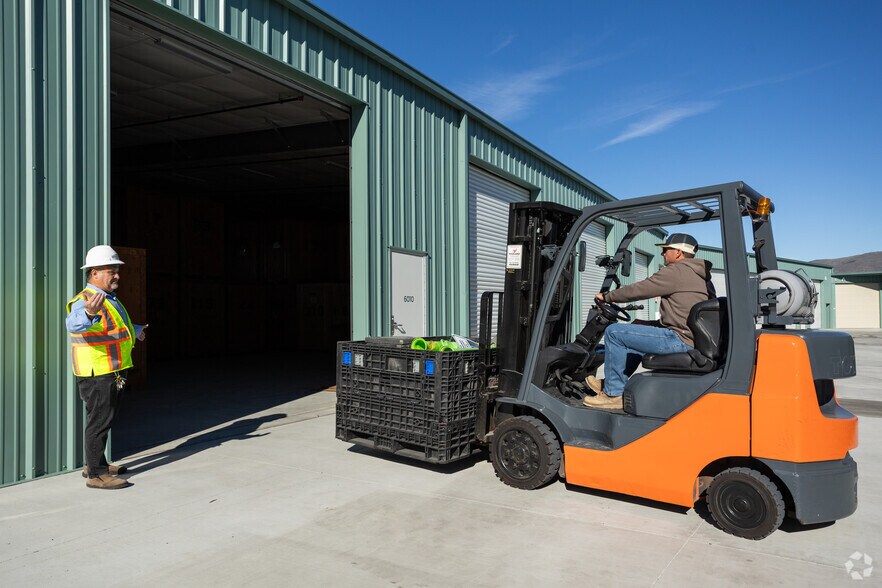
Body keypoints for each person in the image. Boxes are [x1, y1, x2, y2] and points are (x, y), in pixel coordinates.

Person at [583, 233, 715, 410]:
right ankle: (612, 382)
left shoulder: (677, 271)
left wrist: (608, 296)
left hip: (679, 339)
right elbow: (682, 315)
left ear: (678, 252)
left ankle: (614, 394)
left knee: (614, 333)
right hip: (688, 336)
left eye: (666, 250)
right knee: (635, 329)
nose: (663, 254)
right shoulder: (700, 275)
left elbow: (641, 289)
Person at [66, 245, 147, 489]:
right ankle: (96, 475)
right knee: (99, 421)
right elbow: (74, 324)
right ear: (94, 273)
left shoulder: (109, 300)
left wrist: (136, 330)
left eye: (117, 271)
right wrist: (89, 314)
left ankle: (95, 463)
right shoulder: (86, 301)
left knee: (102, 419)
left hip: (109, 371)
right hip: (98, 373)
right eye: (112, 271)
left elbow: (113, 327)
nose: (117, 275)